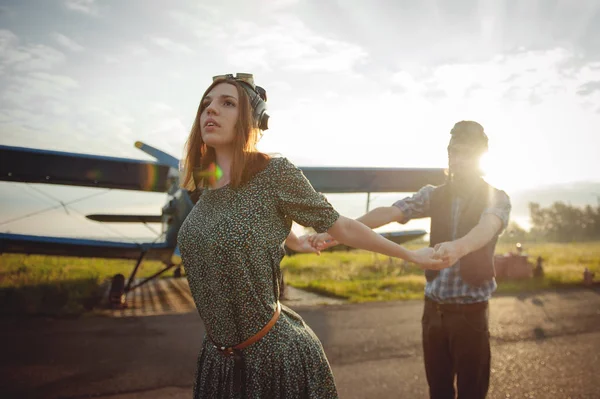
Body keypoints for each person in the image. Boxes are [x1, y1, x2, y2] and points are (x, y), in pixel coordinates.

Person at [176, 73, 449, 398]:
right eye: (206, 104)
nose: (211, 110)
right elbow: (241, 222)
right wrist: (295, 240)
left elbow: (340, 225)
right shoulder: (205, 184)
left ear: (252, 119)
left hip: (274, 358)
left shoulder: (275, 173)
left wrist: (413, 255)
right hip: (216, 364)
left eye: (227, 103)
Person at [311, 120, 511, 399]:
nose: (458, 158)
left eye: (466, 153)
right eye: (453, 151)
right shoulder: (433, 194)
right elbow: (390, 212)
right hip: (433, 313)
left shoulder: (497, 198)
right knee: (438, 391)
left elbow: (486, 229)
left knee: (472, 392)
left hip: (471, 314)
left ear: (480, 158)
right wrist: (339, 232)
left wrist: (458, 247)